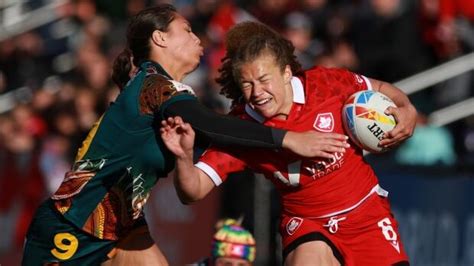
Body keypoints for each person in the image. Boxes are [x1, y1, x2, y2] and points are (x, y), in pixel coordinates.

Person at [21, 5, 349, 266]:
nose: (198, 38)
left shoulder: (166, 92)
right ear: (160, 39)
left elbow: (219, 138)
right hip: (72, 228)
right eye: (187, 31)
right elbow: (214, 127)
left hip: (121, 228)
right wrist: (291, 139)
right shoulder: (153, 86)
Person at [160, 21, 417, 265]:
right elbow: (192, 192)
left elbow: (380, 87)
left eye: (263, 80)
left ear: (285, 72)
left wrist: (406, 107)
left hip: (365, 212)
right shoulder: (240, 130)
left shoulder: (325, 84)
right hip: (307, 222)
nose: (257, 93)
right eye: (247, 84)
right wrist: (184, 157)